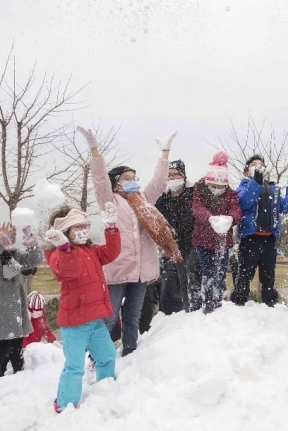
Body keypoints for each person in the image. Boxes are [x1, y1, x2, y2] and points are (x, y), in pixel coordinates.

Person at [79, 126, 181, 357]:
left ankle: (129, 352)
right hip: (117, 270)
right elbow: (99, 180)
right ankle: (97, 357)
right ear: (115, 184)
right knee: (109, 316)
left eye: (135, 178)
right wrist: (95, 151)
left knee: (133, 316)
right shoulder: (110, 201)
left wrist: (165, 152)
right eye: (126, 179)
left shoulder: (143, 201)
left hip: (140, 272)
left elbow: (158, 182)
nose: (133, 182)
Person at [44, 203, 121, 412]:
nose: (83, 231)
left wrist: (112, 227)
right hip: (74, 324)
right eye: (77, 228)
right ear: (65, 232)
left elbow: (111, 253)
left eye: (85, 226)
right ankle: (65, 405)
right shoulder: (56, 255)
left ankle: (105, 390)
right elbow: (69, 272)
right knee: (74, 367)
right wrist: (64, 249)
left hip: (95, 320)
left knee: (107, 356)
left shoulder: (91, 250)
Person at [0, 219, 43, 393]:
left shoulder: (12, 253)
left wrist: (30, 239)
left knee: (15, 345)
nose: (4, 238)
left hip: (13, 305)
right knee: (3, 346)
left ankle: (18, 376)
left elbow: (34, 260)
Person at [230, 155, 288, 307]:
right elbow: (245, 202)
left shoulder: (274, 189)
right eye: (254, 165)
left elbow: (286, 207)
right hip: (249, 238)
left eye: (261, 165)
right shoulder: (244, 186)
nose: (258, 167)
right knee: (245, 274)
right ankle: (238, 302)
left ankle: (270, 303)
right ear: (247, 171)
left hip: (269, 239)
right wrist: (256, 182)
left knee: (268, 275)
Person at [191, 151, 241, 314]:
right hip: (202, 240)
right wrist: (210, 218)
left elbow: (236, 211)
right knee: (208, 270)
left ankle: (217, 298)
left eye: (220, 187)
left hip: (222, 242)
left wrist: (230, 219)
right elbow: (197, 209)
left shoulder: (231, 194)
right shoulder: (199, 190)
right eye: (213, 186)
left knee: (220, 271)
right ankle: (207, 300)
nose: (217, 189)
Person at [155, 159, 201, 312]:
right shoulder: (163, 199)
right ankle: (189, 308)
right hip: (176, 245)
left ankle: (198, 306)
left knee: (193, 271)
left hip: (196, 241)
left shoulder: (194, 193)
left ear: (183, 175)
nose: (173, 178)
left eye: (176, 174)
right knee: (182, 278)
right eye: (169, 175)